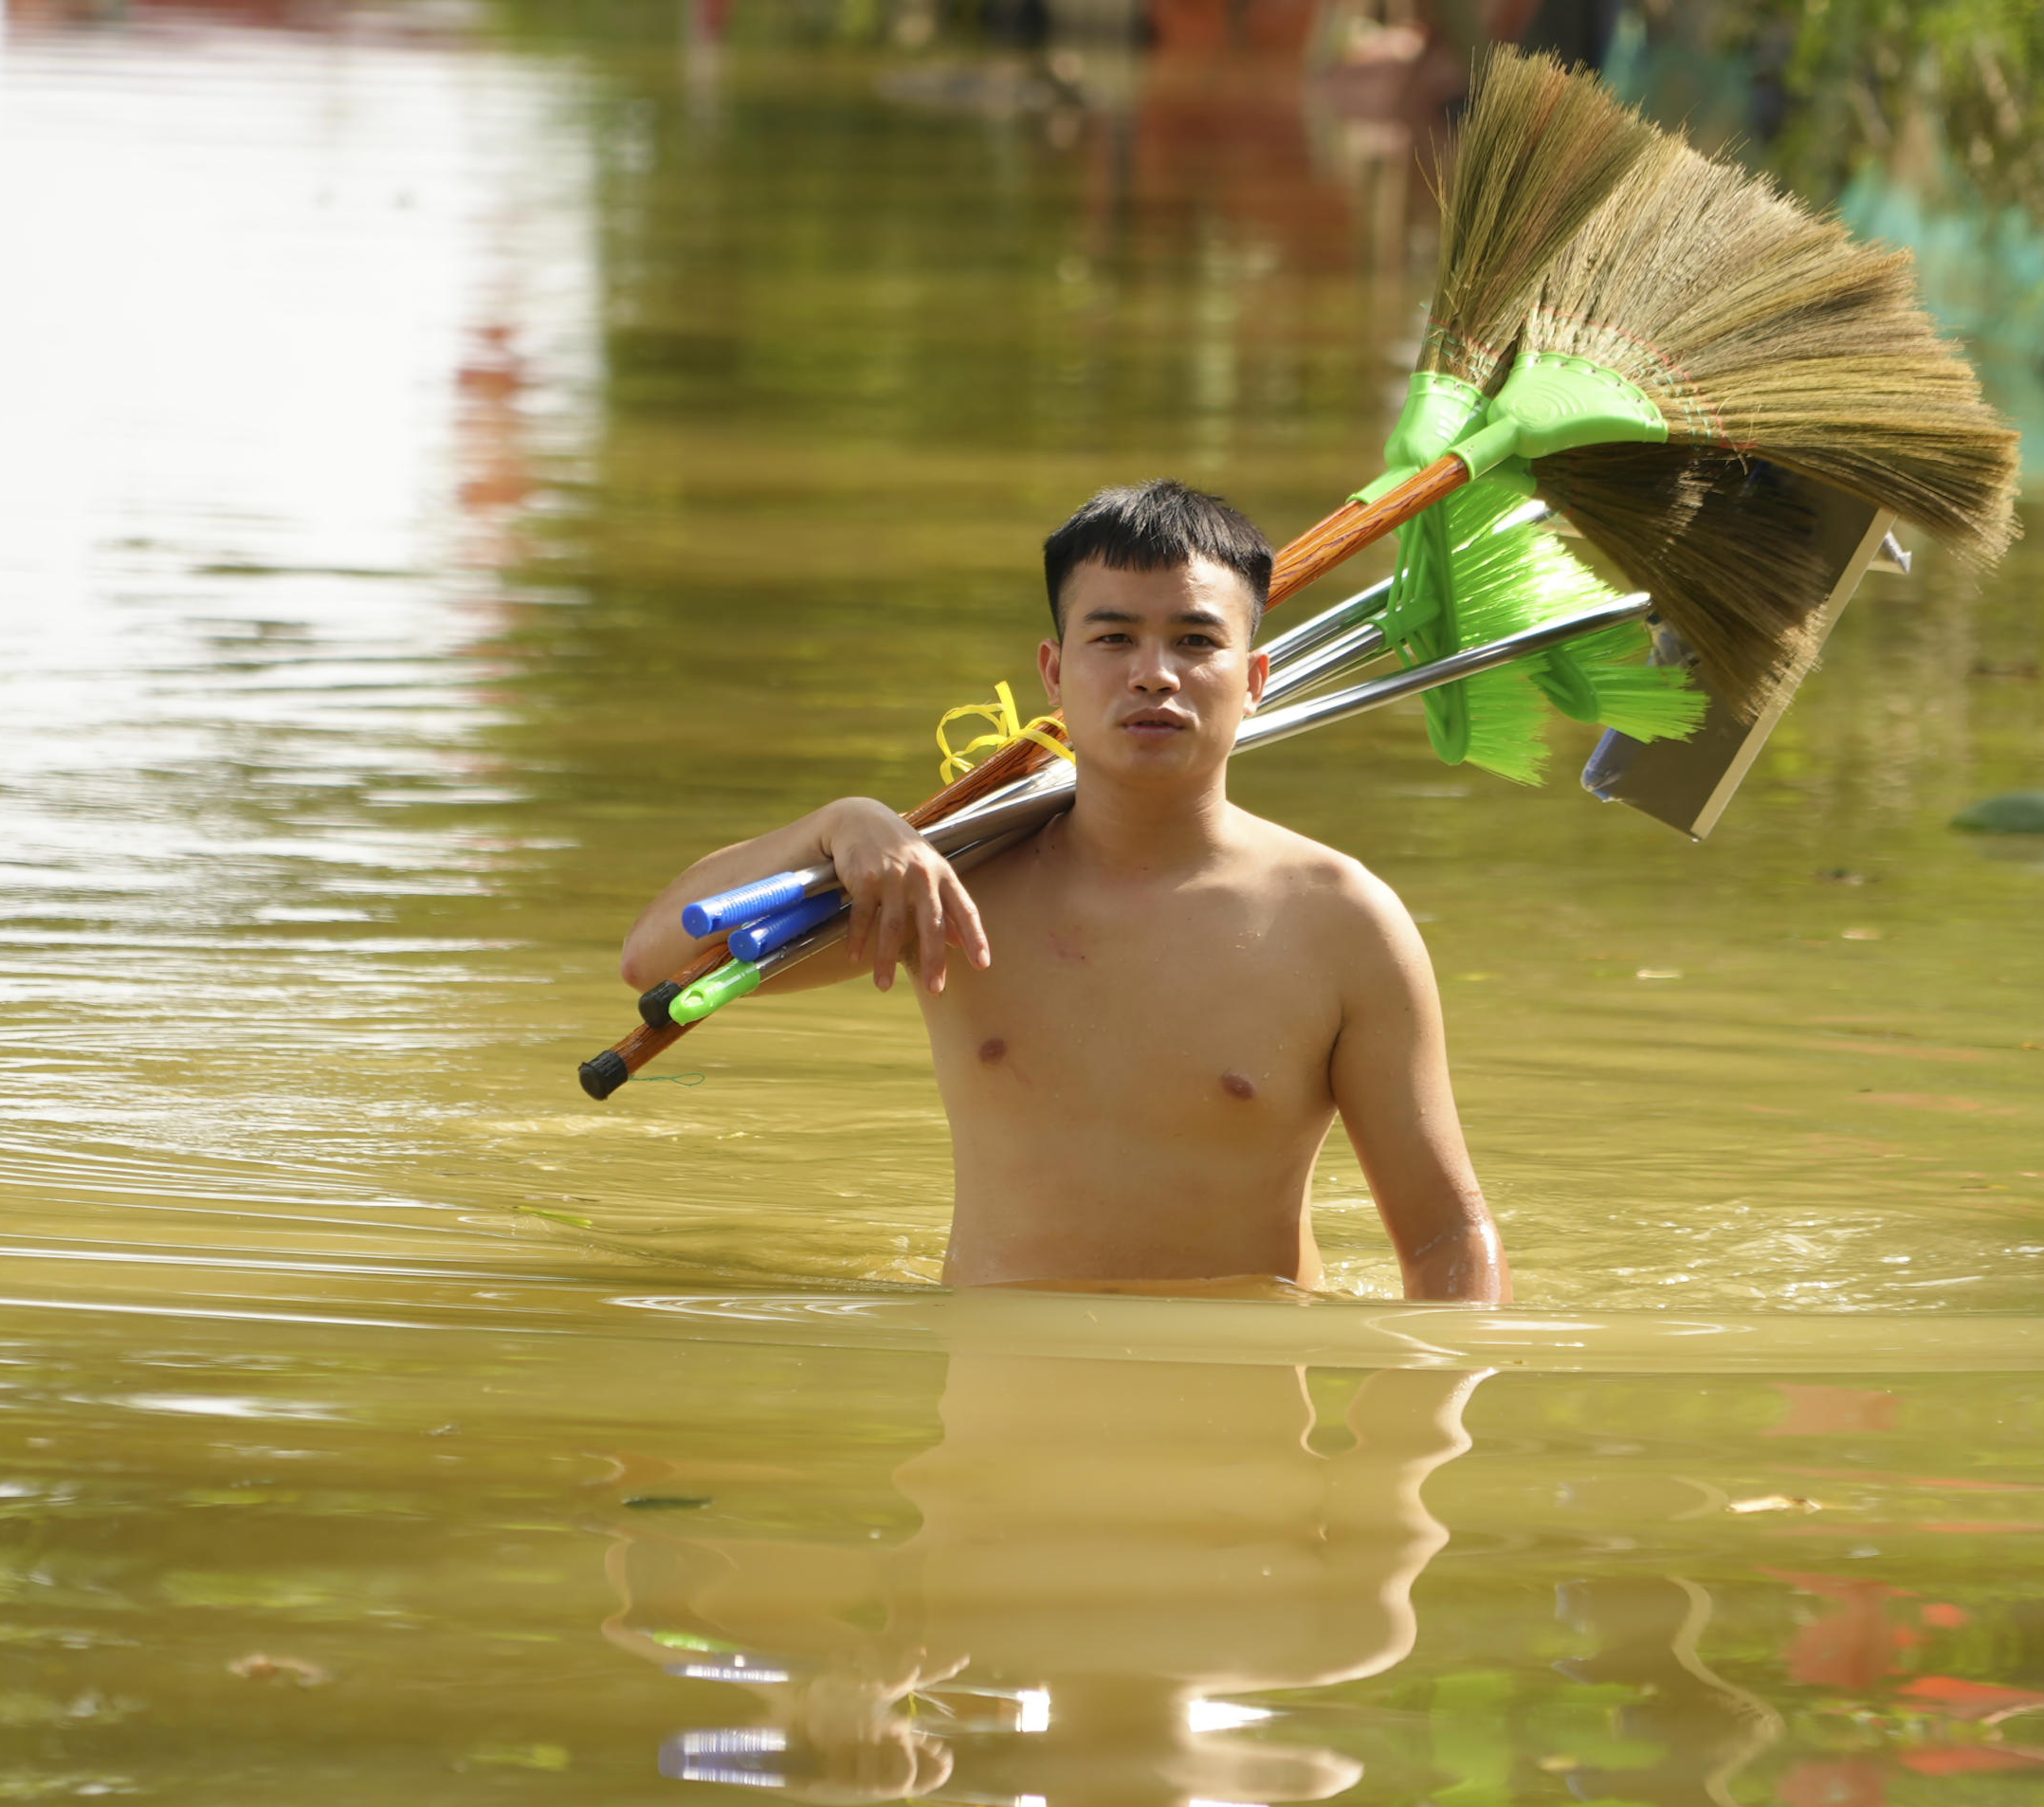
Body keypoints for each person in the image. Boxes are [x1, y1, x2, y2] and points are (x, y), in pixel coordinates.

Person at [620, 481, 1507, 1303]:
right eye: (1113, 637)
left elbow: (1446, 1239)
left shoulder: (1341, 921)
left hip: (1240, 1425)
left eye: (1196, 641)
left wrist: (1408, 1454)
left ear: (1256, 680)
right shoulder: (953, 887)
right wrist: (835, 825)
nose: (1152, 673)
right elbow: (654, 963)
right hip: (997, 1425)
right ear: (1054, 671)